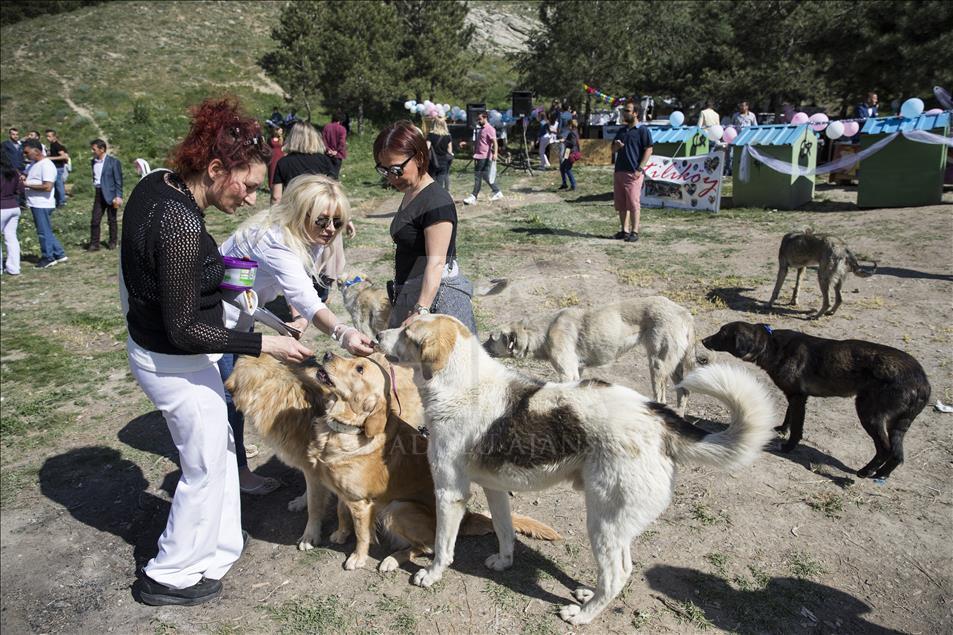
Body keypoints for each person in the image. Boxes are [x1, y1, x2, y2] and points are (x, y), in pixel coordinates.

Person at [120, 96, 312, 607]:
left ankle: (216, 548)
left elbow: (162, 280)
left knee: (220, 453)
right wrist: (263, 342)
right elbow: (184, 328)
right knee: (204, 464)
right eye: (247, 185)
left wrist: (225, 286)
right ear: (213, 168)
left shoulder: (158, 183)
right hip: (175, 360)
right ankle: (169, 573)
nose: (251, 199)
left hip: (164, 350)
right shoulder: (179, 222)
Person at [217, 174, 374, 494]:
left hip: (242, 315)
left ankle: (231, 454)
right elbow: (304, 295)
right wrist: (343, 333)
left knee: (229, 393)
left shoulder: (309, 237)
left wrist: (300, 321)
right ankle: (234, 472)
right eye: (323, 220)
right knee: (225, 397)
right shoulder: (274, 239)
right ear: (301, 213)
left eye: (338, 221)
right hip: (216, 321)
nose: (331, 228)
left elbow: (300, 291)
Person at [374, 121, 477, 333]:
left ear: (419, 158)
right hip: (414, 295)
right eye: (384, 170)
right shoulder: (412, 193)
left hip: (439, 303)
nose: (392, 178)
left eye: (396, 169)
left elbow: (436, 263)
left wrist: (421, 310)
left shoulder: (436, 202)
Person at [22, 138, 68, 268]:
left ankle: (48, 257)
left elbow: (47, 186)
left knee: (43, 232)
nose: (25, 155)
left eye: (27, 152)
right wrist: (24, 177)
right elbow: (26, 174)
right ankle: (59, 254)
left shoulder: (47, 165)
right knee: (46, 229)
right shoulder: (32, 164)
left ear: (36, 151)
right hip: (35, 202)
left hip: (42, 203)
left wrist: (27, 185)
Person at [612, 103, 653, 243]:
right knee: (621, 203)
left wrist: (639, 169)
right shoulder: (622, 131)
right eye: (624, 111)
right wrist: (616, 147)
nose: (625, 113)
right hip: (619, 171)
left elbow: (649, 149)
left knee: (633, 203)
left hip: (633, 172)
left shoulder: (642, 130)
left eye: (628, 111)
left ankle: (634, 231)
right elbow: (612, 150)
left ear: (635, 113)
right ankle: (624, 231)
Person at [271, 121, 335, 204]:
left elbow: (276, 197)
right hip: (318, 207)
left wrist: (274, 213)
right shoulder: (324, 160)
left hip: (293, 208)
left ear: (292, 138)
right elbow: (333, 188)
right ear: (314, 138)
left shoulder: (283, 162)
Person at [88, 139, 123, 251]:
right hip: (98, 193)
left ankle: (113, 242)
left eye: (94, 149)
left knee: (112, 219)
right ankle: (94, 244)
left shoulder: (113, 162)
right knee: (95, 219)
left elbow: (118, 180)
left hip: (111, 194)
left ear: (102, 149)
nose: (92, 151)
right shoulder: (93, 162)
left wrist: (118, 196)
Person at [462, 111, 503, 205]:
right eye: (478, 119)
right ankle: (497, 192)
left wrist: (495, 154)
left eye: (480, 119)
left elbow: (495, 142)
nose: (478, 121)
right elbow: (478, 142)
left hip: (484, 157)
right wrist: (467, 144)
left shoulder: (490, 129)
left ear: (485, 118)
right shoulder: (481, 129)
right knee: (485, 176)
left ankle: (473, 196)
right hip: (478, 156)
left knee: (477, 176)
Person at [1, 152, 23, 275]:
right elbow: (19, 189)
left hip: (1, 207)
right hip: (13, 206)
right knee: (11, 237)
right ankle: (14, 268)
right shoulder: (13, 171)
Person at [426, 116, 454, 191]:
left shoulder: (431, 135)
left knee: (432, 182)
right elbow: (450, 151)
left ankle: (432, 199)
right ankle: (439, 199)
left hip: (433, 162)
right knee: (440, 183)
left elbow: (427, 148)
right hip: (443, 162)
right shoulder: (448, 136)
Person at [45, 129, 69, 207]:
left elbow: (63, 156)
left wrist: (51, 158)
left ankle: (62, 202)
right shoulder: (52, 145)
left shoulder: (56, 145)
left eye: (49, 136)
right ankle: (58, 201)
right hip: (55, 168)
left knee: (59, 185)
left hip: (58, 168)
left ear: (54, 137)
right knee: (56, 185)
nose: (47, 138)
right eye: (46, 136)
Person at [322, 111, 348, 179]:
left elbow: (323, 140)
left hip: (327, 154)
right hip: (338, 155)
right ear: (341, 120)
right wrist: (336, 151)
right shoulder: (342, 129)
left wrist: (328, 149)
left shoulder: (326, 127)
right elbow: (342, 142)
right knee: (335, 175)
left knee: (327, 174)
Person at [559, 119, 580, 191]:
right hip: (568, 152)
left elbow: (572, 143)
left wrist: (564, 140)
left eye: (568, 125)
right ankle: (564, 184)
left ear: (571, 125)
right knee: (562, 167)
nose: (567, 126)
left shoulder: (572, 133)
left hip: (572, 153)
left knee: (567, 169)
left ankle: (573, 185)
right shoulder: (574, 132)